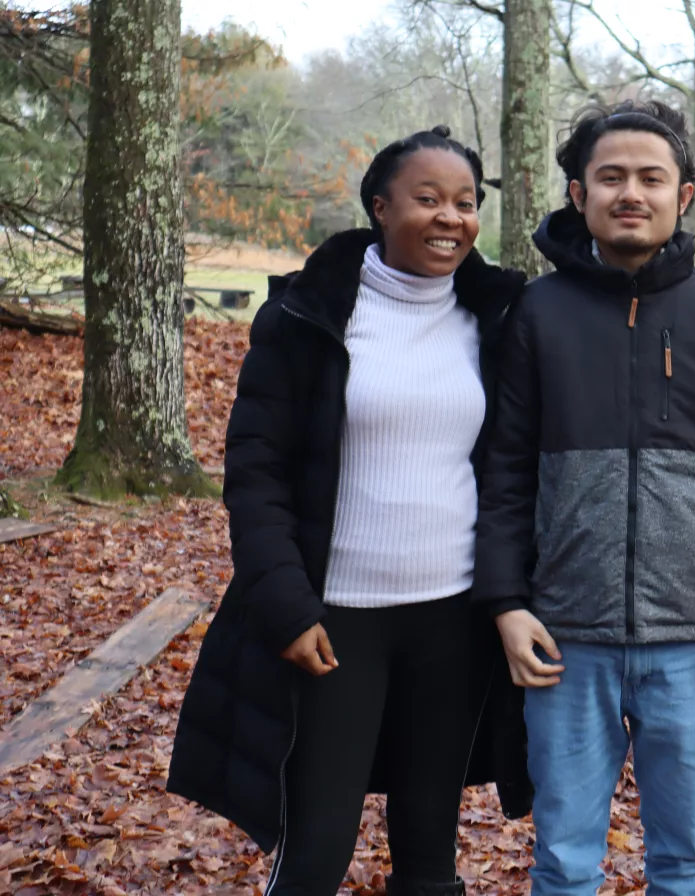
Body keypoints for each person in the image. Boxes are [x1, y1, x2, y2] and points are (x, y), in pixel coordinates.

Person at [167, 126, 532, 896]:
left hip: (453, 618)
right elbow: (255, 473)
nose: (450, 219)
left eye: (466, 203)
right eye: (427, 199)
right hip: (336, 621)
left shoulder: (497, 319)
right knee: (317, 848)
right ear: (379, 206)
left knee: (430, 851)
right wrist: (287, 608)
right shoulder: (309, 316)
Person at [473, 100, 695, 896]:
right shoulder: (536, 313)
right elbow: (503, 469)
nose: (632, 192)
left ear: (682, 195)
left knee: (686, 857)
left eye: (652, 178)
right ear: (578, 193)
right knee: (563, 858)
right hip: (564, 640)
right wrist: (506, 603)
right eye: (610, 177)